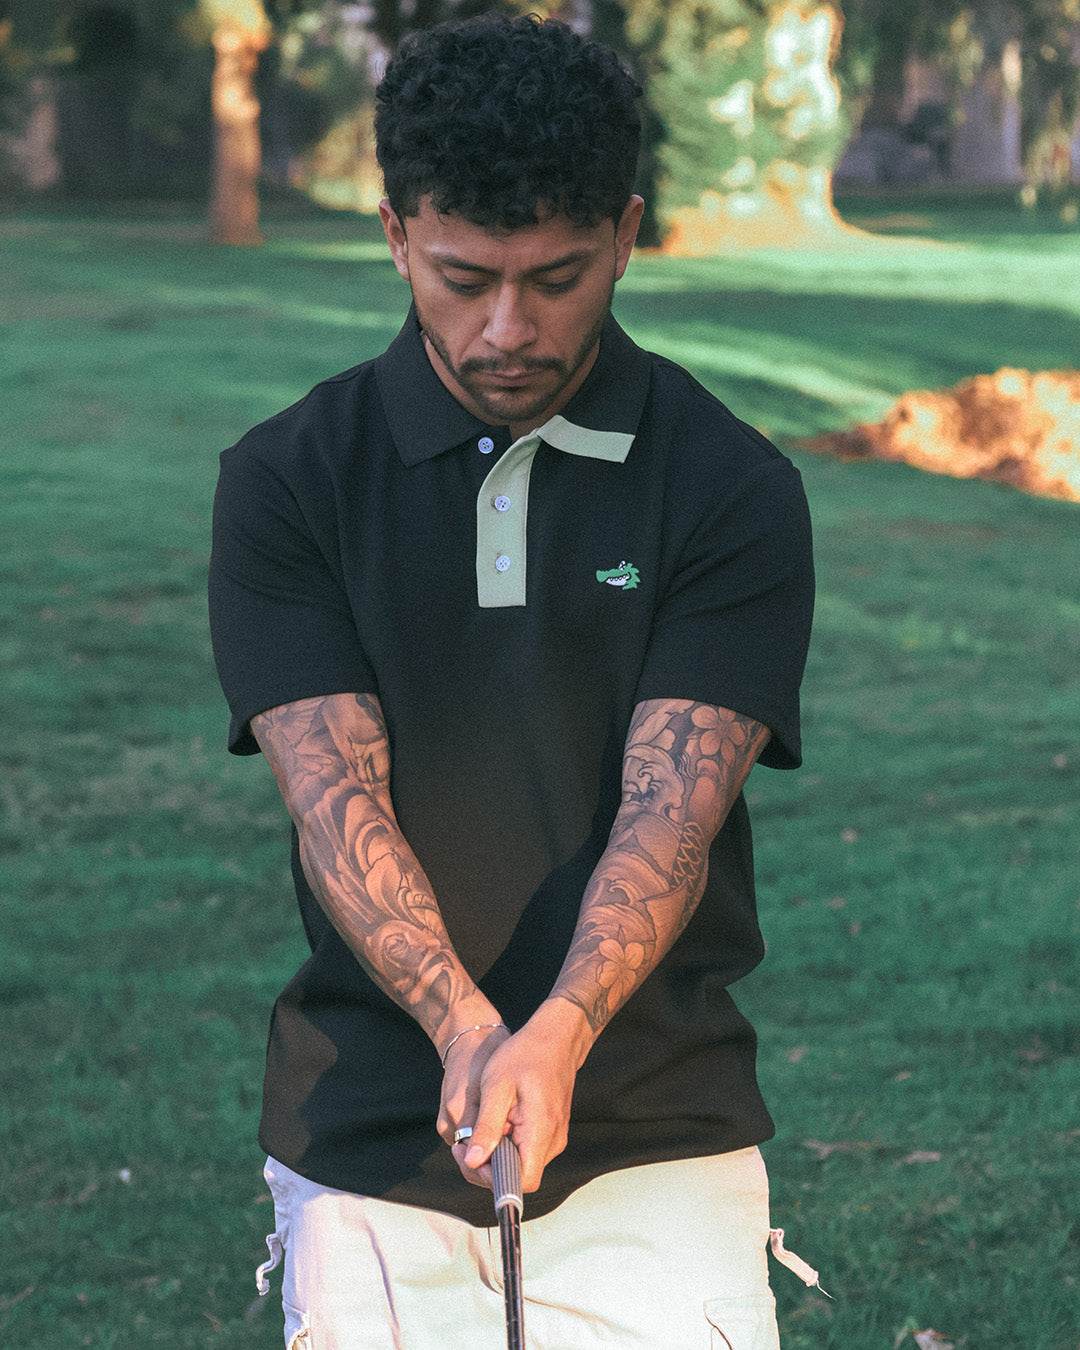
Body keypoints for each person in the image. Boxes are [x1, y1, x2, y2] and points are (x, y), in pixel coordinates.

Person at [209, 13, 816, 1348]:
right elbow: (334, 796)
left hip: (660, 1119)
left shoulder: (731, 487)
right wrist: (468, 1025)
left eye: (556, 276)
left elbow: (671, 816)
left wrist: (555, 1030)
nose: (506, 329)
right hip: (370, 1119)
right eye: (462, 274)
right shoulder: (286, 481)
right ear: (392, 236)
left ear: (627, 233)